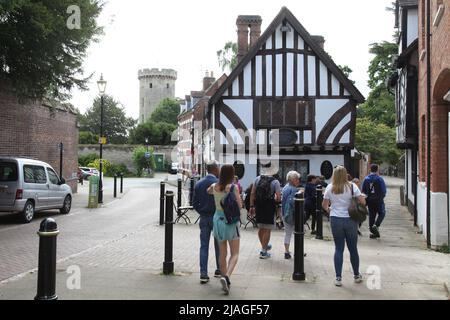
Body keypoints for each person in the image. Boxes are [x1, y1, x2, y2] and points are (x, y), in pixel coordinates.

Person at [322, 165, 366, 287]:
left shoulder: (330, 187)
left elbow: (324, 205)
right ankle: (356, 275)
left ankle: (338, 278)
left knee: (338, 249)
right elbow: (362, 202)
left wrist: (331, 210)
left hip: (335, 220)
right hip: (351, 220)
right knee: (353, 249)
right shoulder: (352, 186)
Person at [207, 164, 242, 295]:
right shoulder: (233, 188)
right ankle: (226, 277)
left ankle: (223, 277)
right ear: (232, 174)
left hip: (217, 220)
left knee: (222, 253)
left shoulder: (214, 186)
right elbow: (240, 205)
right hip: (230, 222)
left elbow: (208, 191)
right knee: (235, 253)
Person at [192, 160, 221, 284]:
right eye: (218, 168)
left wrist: (202, 212)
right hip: (217, 218)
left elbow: (194, 204)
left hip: (204, 218)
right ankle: (219, 269)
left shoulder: (199, 184)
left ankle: (203, 274)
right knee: (219, 245)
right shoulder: (219, 183)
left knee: (204, 246)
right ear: (215, 169)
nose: (219, 170)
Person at [249, 164, 281, 259]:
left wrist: (251, 206)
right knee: (267, 229)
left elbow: (252, 193)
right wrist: (276, 199)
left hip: (259, 206)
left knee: (261, 228)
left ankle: (264, 246)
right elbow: (278, 197)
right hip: (269, 206)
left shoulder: (257, 179)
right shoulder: (275, 182)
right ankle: (263, 251)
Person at [362, 164, 387, 239]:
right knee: (382, 213)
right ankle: (376, 225)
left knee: (372, 215)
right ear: (377, 170)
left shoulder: (366, 179)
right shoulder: (380, 179)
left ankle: (373, 232)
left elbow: (363, 191)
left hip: (370, 200)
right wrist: (381, 197)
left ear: (370, 169)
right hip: (379, 200)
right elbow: (384, 191)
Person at [281, 171, 301, 259]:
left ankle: (287, 250)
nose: (298, 181)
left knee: (287, 233)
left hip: (284, 213)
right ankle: (297, 251)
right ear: (292, 180)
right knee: (298, 233)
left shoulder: (285, 188)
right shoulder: (294, 190)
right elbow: (294, 203)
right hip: (292, 214)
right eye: (297, 179)